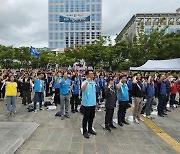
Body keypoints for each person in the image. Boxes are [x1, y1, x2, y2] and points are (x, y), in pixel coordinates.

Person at [81, 70, 97, 139]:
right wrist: (87, 81)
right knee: (86, 118)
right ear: (87, 75)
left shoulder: (93, 83)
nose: (92, 75)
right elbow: (82, 89)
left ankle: (90, 129)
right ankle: (85, 131)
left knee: (91, 117)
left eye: (92, 73)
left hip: (92, 103)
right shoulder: (84, 82)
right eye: (90, 73)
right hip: (87, 103)